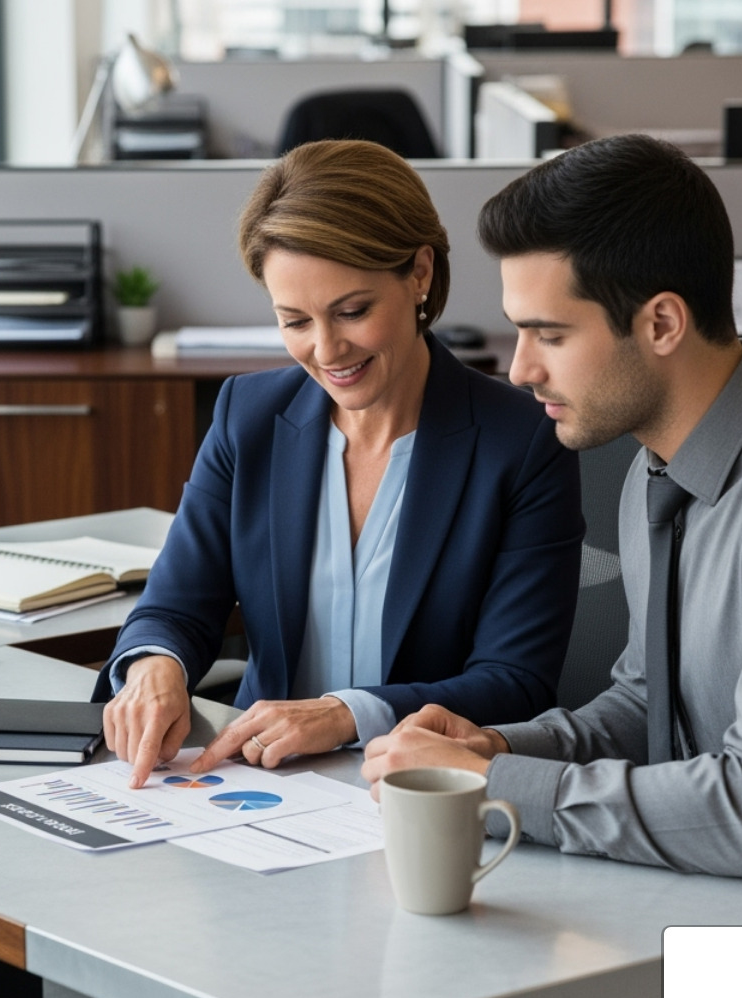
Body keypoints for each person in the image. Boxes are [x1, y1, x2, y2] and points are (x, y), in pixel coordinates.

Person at [360, 134, 742, 922]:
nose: (519, 368)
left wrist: (490, 788)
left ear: (663, 323)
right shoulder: (659, 465)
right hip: (724, 908)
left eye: (550, 333)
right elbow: (649, 709)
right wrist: (494, 749)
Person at [94, 139, 584, 788]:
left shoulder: (518, 442)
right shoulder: (248, 416)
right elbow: (176, 605)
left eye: (352, 312)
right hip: (254, 785)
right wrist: (154, 667)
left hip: (420, 793)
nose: (327, 351)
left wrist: (346, 715)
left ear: (419, 275)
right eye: (294, 320)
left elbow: (515, 680)